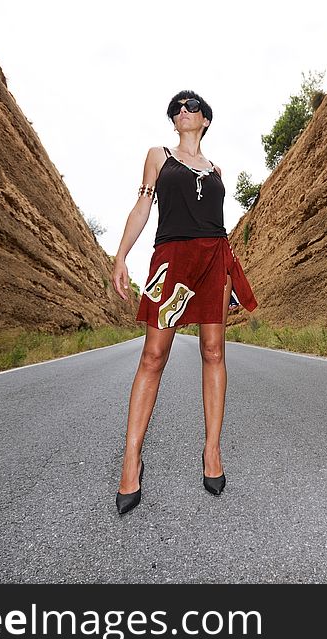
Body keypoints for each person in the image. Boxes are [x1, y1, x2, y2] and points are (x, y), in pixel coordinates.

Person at [111, 90, 258, 515]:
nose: (183, 111)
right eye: (177, 108)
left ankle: (212, 451)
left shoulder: (217, 170)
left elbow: (219, 226)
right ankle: (131, 457)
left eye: (192, 106)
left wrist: (230, 276)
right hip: (171, 258)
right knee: (153, 357)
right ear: (173, 122)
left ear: (206, 120)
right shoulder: (158, 156)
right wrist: (121, 256)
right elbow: (142, 206)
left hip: (214, 259)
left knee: (214, 352)